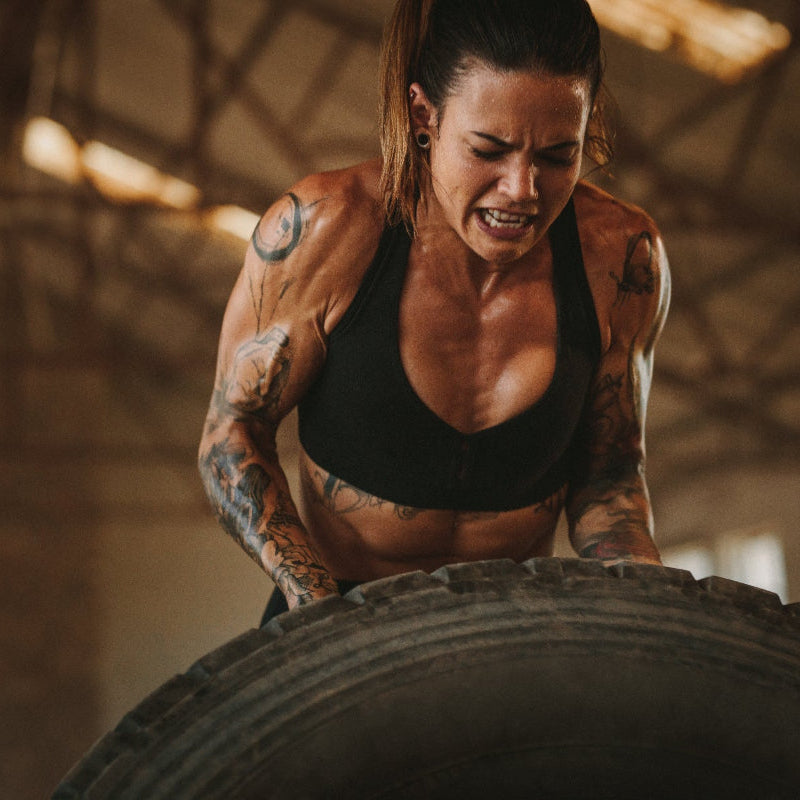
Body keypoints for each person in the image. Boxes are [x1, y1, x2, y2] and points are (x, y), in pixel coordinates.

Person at [198, 0, 670, 620]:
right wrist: (316, 608)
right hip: (335, 614)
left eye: (558, 156)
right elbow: (232, 435)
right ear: (424, 115)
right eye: (489, 150)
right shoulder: (325, 229)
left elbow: (609, 473)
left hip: (512, 633)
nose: (522, 190)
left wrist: (653, 609)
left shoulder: (621, 258)